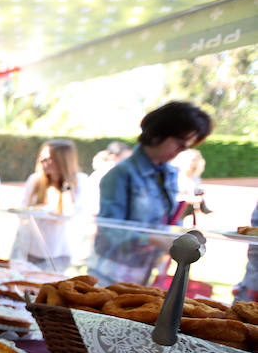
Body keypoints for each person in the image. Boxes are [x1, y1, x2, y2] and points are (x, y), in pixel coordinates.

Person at [90, 101, 213, 285]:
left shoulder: (170, 174)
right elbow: (110, 231)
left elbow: (167, 220)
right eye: (180, 143)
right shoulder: (120, 174)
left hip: (147, 271)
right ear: (158, 134)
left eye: (186, 146)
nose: (182, 150)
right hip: (112, 271)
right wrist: (154, 239)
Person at [16, 139, 90, 271]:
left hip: (61, 251)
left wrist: (66, 185)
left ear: (63, 161)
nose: (43, 162)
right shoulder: (35, 180)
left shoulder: (80, 181)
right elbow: (24, 211)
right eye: (42, 158)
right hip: (33, 247)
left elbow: (70, 213)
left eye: (49, 159)